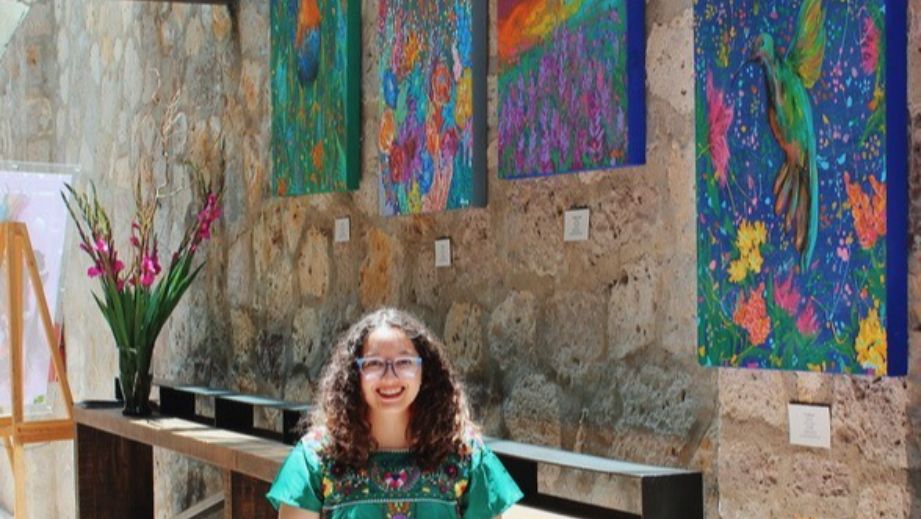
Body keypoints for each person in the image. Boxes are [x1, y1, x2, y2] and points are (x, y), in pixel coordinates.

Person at [267, 308, 524, 518]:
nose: (389, 377)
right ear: (354, 374)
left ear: (425, 371)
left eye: (404, 362)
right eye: (374, 363)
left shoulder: (466, 456)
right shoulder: (315, 458)